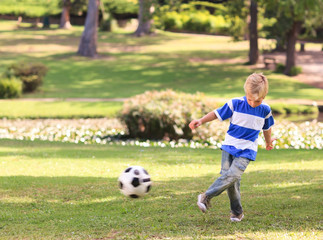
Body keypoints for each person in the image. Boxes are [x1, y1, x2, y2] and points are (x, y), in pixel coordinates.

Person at [189, 73, 276, 222]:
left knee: (233, 175)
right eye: (250, 99)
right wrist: (201, 121)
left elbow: (266, 129)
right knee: (230, 181)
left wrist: (268, 142)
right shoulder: (235, 103)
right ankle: (237, 212)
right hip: (229, 147)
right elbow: (217, 113)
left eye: (258, 100)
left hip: (247, 150)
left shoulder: (265, 110)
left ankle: (205, 197)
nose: (253, 104)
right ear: (245, 93)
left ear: (265, 96)